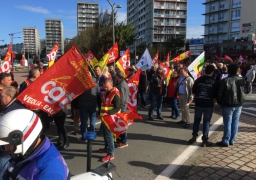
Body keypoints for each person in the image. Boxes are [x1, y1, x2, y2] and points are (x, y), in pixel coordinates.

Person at [0, 109, 70, 179]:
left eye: (10, 143)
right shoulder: (25, 155)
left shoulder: (51, 173)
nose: (6, 148)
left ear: (25, 138)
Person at [217, 64, 245, 147]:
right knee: (235, 122)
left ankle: (226, 140)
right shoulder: (241, 80)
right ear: (237, 70)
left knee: (227, 123)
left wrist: (220, 103)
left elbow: (220, 93)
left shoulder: (225, 80)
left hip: (228, 104)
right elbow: (244, 91)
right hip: (238, 104)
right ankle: (232, 139)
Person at [188, 65, 217, 147]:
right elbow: (215, 96)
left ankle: (194, 136)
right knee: (206, 122)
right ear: (212, 72)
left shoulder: (198, 80)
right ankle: (205, 140)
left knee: (196, 120)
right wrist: (213, 104)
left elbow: (193, 92)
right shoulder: (214, 81)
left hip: (198, 103)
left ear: (204, 71)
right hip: (208, 104)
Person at [98, 78, 121, 162]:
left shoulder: (115, 94)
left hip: (111, 118)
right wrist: (99, 114)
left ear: (111, 85)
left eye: (107, 87)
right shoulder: (106, 92)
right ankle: (106, 148)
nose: (105, 89)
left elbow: (118, 107)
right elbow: (103, 105)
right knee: (105, 134)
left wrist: (108, 113)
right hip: (104, 118)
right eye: (104, 87)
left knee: (109, 136)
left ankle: (111, 154)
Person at [78, 75, 99, 141]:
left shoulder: (82, 84)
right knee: (92, 119)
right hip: (92, 104)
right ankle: (91, 135)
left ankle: (84, 137)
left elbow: (77, 94)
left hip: (83, 105)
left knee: (84, 121)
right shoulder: (96, 84)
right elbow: (98, 94)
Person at [116, 71, 129, 148]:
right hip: (123, 106)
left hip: (121, 107)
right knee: (121, 124)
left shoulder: (121, 85)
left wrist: (119, 107)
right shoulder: (123, 83)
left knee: (122, 125)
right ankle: (121, 140)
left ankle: (124, 141)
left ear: (118, 76)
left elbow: (122, 98)